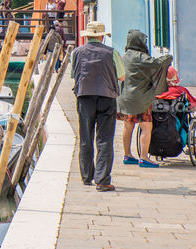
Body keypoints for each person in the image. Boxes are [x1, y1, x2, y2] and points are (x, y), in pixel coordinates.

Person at [70, 21, 125, 192]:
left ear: (86, 36)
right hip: (107, 97)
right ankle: (102, 180)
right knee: (104, 140)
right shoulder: (112, 53)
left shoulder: (76, 52)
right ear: (102, 36)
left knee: (85, 137)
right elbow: (122, 77)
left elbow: (74, 74)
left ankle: (87, 176)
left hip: (84, 96)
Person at [118, 29, 173, 168]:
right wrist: (168, 57)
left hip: (125, 98)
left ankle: (127, 155)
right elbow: (157, 64)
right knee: (146, 127)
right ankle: (144, 157)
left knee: (128, 126)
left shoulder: (124, 57)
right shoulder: (141, 56)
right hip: (141, 98)